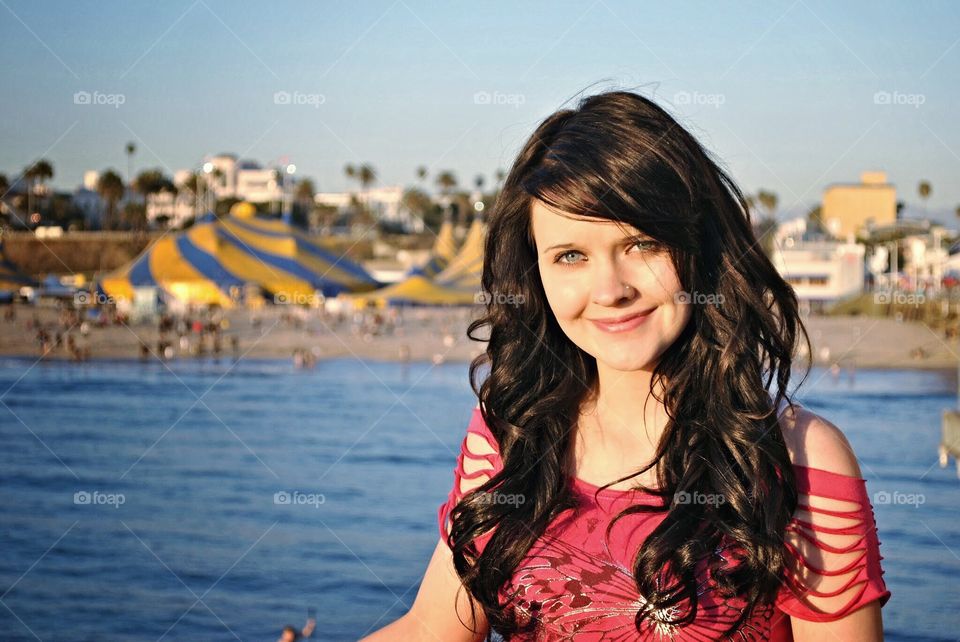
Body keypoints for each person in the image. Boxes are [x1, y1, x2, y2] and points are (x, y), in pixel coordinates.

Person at [360, 90, 889, 641]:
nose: (610, 290)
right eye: (571, 256)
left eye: (641, 244)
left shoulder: (797, 460)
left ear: (697, 249)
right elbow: (431, 627)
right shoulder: (509, 434)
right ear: (535, 274)